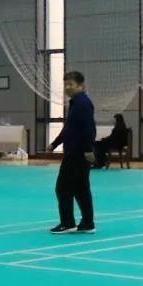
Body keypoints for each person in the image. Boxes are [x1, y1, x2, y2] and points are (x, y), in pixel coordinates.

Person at [48, 71, 96, 234]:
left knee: (62, 188)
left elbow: (89, 128)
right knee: (81, 189)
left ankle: (67, 223)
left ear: (81, 86)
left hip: (77, 153)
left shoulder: (82, 103)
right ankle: (88, 223)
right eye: (66, 84)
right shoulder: (75, 103)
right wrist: (54, 144)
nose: (67, 87)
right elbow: (69, 129)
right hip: (75, 152)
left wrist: (88, 150)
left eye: (71, 85)